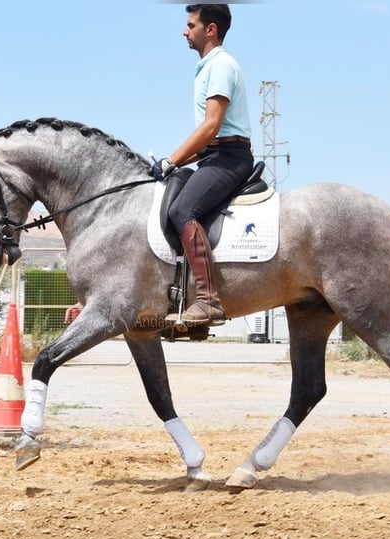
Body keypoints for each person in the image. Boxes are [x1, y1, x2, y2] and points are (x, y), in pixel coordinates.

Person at [151, 3, 253, 326]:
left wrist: (172, 159)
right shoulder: (206, 68)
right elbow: (207, 139)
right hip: (215, 155)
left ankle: (208, 300)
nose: (185, 30)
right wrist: (172, 163)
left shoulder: (221, 65)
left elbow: (210, 127)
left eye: (191, 25)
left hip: (230, 158)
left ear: (210, 29)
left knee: (182, 210)